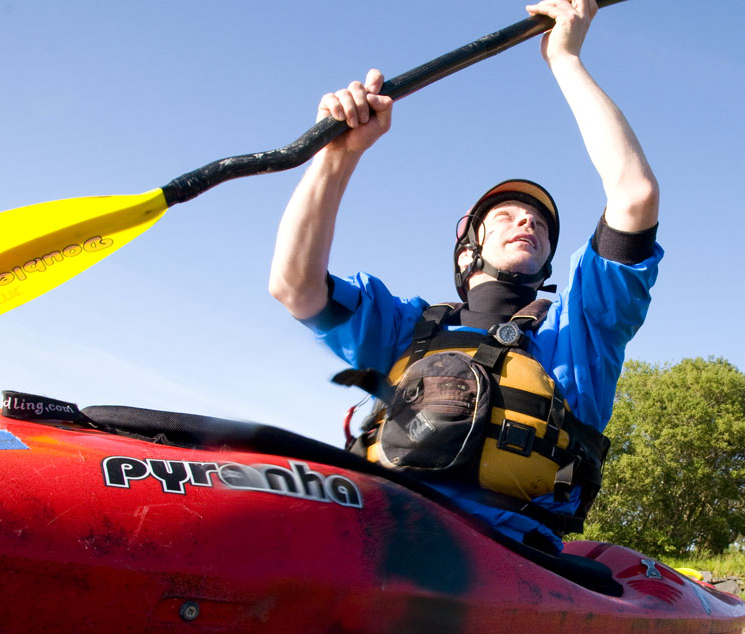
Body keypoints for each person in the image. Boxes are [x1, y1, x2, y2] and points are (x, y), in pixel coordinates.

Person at [269, 0, 661, 554]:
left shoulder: (582, 332)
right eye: (504, 215)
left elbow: (634, 196)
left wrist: (565, 59)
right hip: (379, 541)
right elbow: (295, 285)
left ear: (550, 257)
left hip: (518, 562)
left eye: (539, 223)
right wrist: (336, 158)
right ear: (466, 250)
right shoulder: (403, 328)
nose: (525, 220)